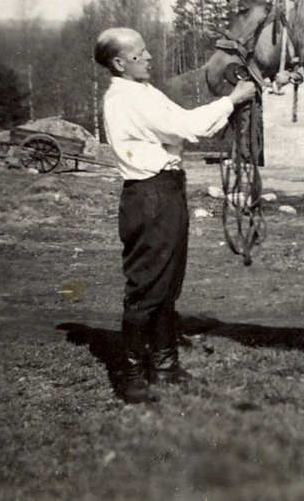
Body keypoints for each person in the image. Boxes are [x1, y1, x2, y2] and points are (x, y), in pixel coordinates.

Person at [95, 27, 255, 404]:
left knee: (166, 286)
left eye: (147, 50)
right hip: (149, 195)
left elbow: (184, 126)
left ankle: (165, 367)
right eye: (140, 53)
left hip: (166, 191)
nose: (149, 57)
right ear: (120, 63)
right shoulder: (126, 99)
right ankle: (131, 374)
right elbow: (186, 126)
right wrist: (232, 100)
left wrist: (228, 108)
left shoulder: (143, 92)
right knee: (147, 287)